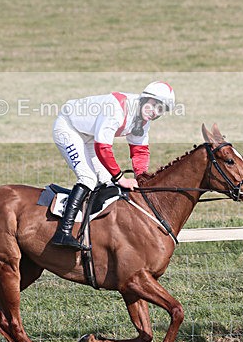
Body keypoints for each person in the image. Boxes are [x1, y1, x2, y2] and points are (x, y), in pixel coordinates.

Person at [51, 81, 175, 249]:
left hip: (89, 135)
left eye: (160, 110)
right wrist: (121, 178)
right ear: (145, 99)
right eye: (154, 105)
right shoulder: (117, 108)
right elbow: (102, 147)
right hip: (69, 128)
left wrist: (142, 178)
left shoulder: (143, 121)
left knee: (106, 182)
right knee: (88, 178)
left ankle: (94, 229)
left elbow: (140, 151)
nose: (155, 112)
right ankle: (63, 232)